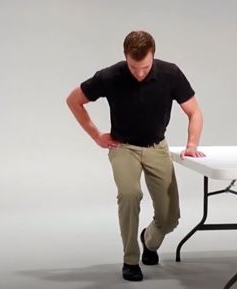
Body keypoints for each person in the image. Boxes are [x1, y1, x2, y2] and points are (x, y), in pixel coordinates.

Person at [66, 30, 205, 281]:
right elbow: (74, 100)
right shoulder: (109, 76)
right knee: (130, 194)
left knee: (169, 218)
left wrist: (192, 144)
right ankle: (130, 260)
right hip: (123, 147)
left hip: (157, 147)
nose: (139, 73)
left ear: (153, 55)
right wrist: (97, 135)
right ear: (125, 56)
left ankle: (148, 241)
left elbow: (194, 111)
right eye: (133, 67)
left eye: (145, 67)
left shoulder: (170, 74)